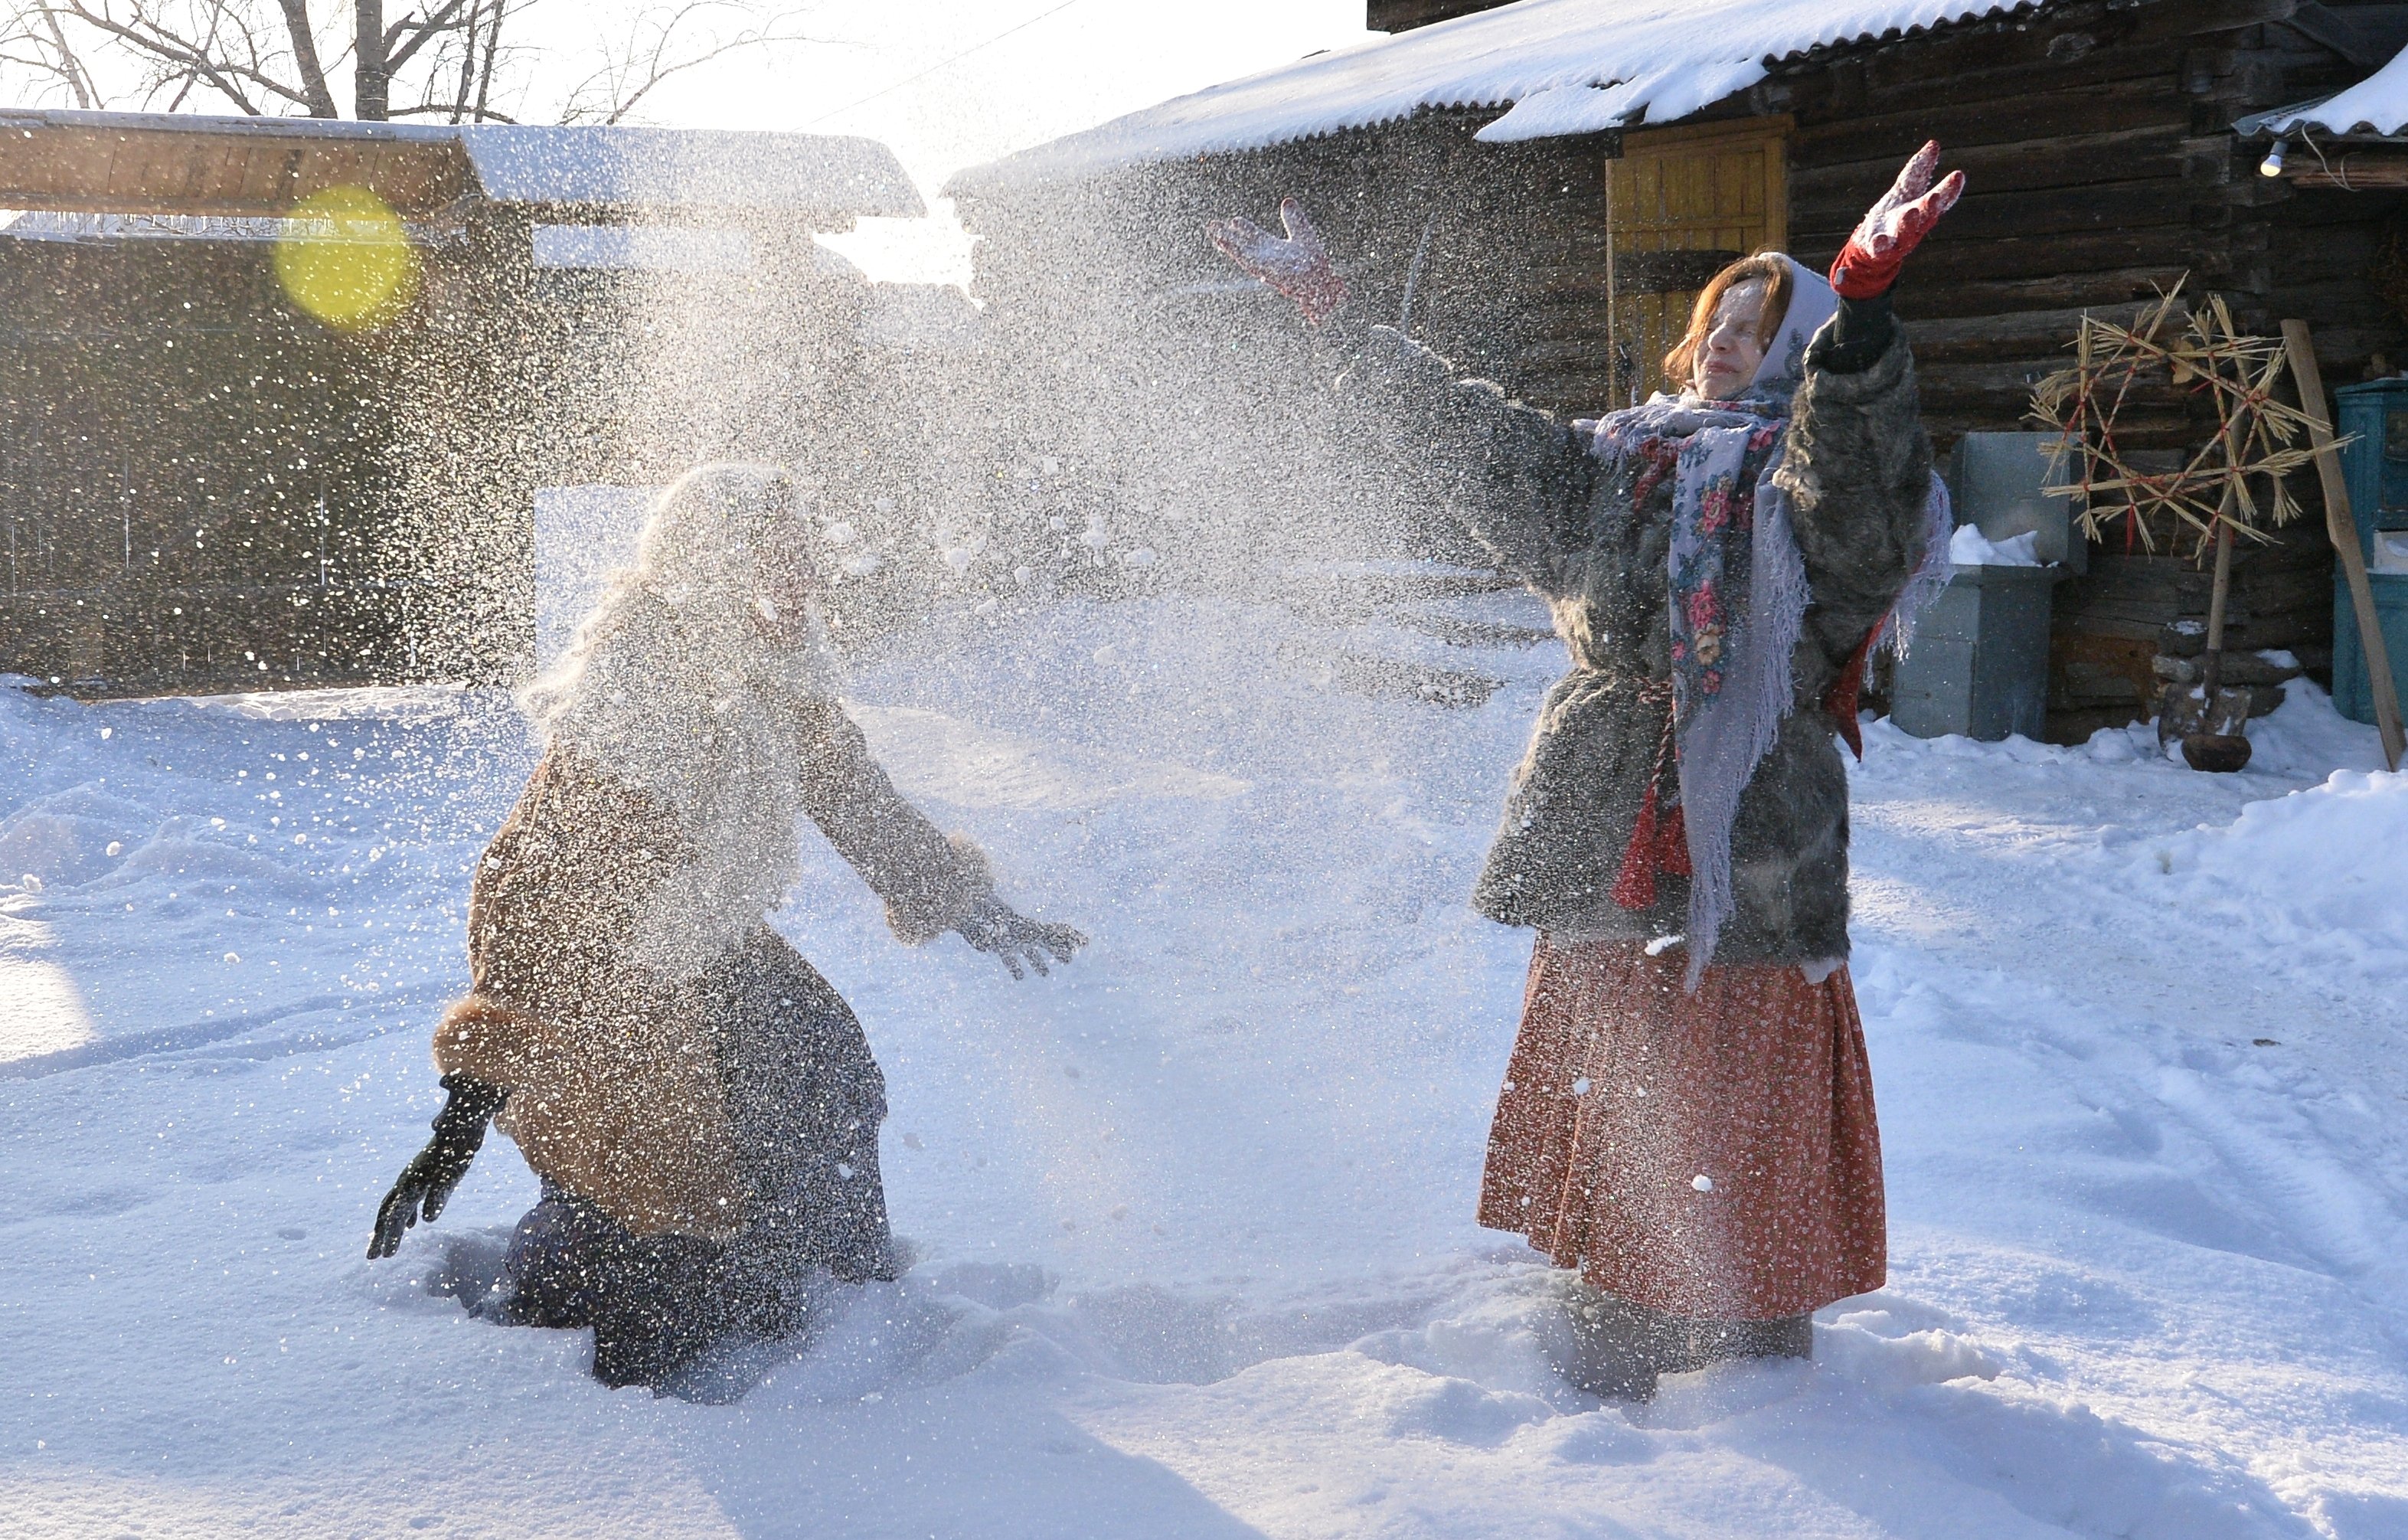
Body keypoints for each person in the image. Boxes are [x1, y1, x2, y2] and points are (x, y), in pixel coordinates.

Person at [1211, 144, 1962, 1400]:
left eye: (1762, 324)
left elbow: (1872, 504)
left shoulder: (1819, 482)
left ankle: (1757, 1339)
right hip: (1606, 789)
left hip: (1754, 821)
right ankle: (1615, 1307)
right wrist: (1344, 328)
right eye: (1717, 317)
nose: (1725, 341)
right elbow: (1475, 443)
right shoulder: (1619, 458)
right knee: (1618, 1057)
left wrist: (1866, 316)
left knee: (1741, 1070)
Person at [365, 463, 1085, 1391]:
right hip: (603, 974)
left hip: (702, 937)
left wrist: (965, 903)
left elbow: (851, 794)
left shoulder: (773, 667)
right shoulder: (645, 690)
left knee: (825, 1066)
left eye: (805, 553)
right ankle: (579, 1327)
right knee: (656, 1202)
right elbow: (529, 881)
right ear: (717, 562)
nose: (808, 577)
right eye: (781, 555)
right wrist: (472, 1095)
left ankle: (830, 1295)